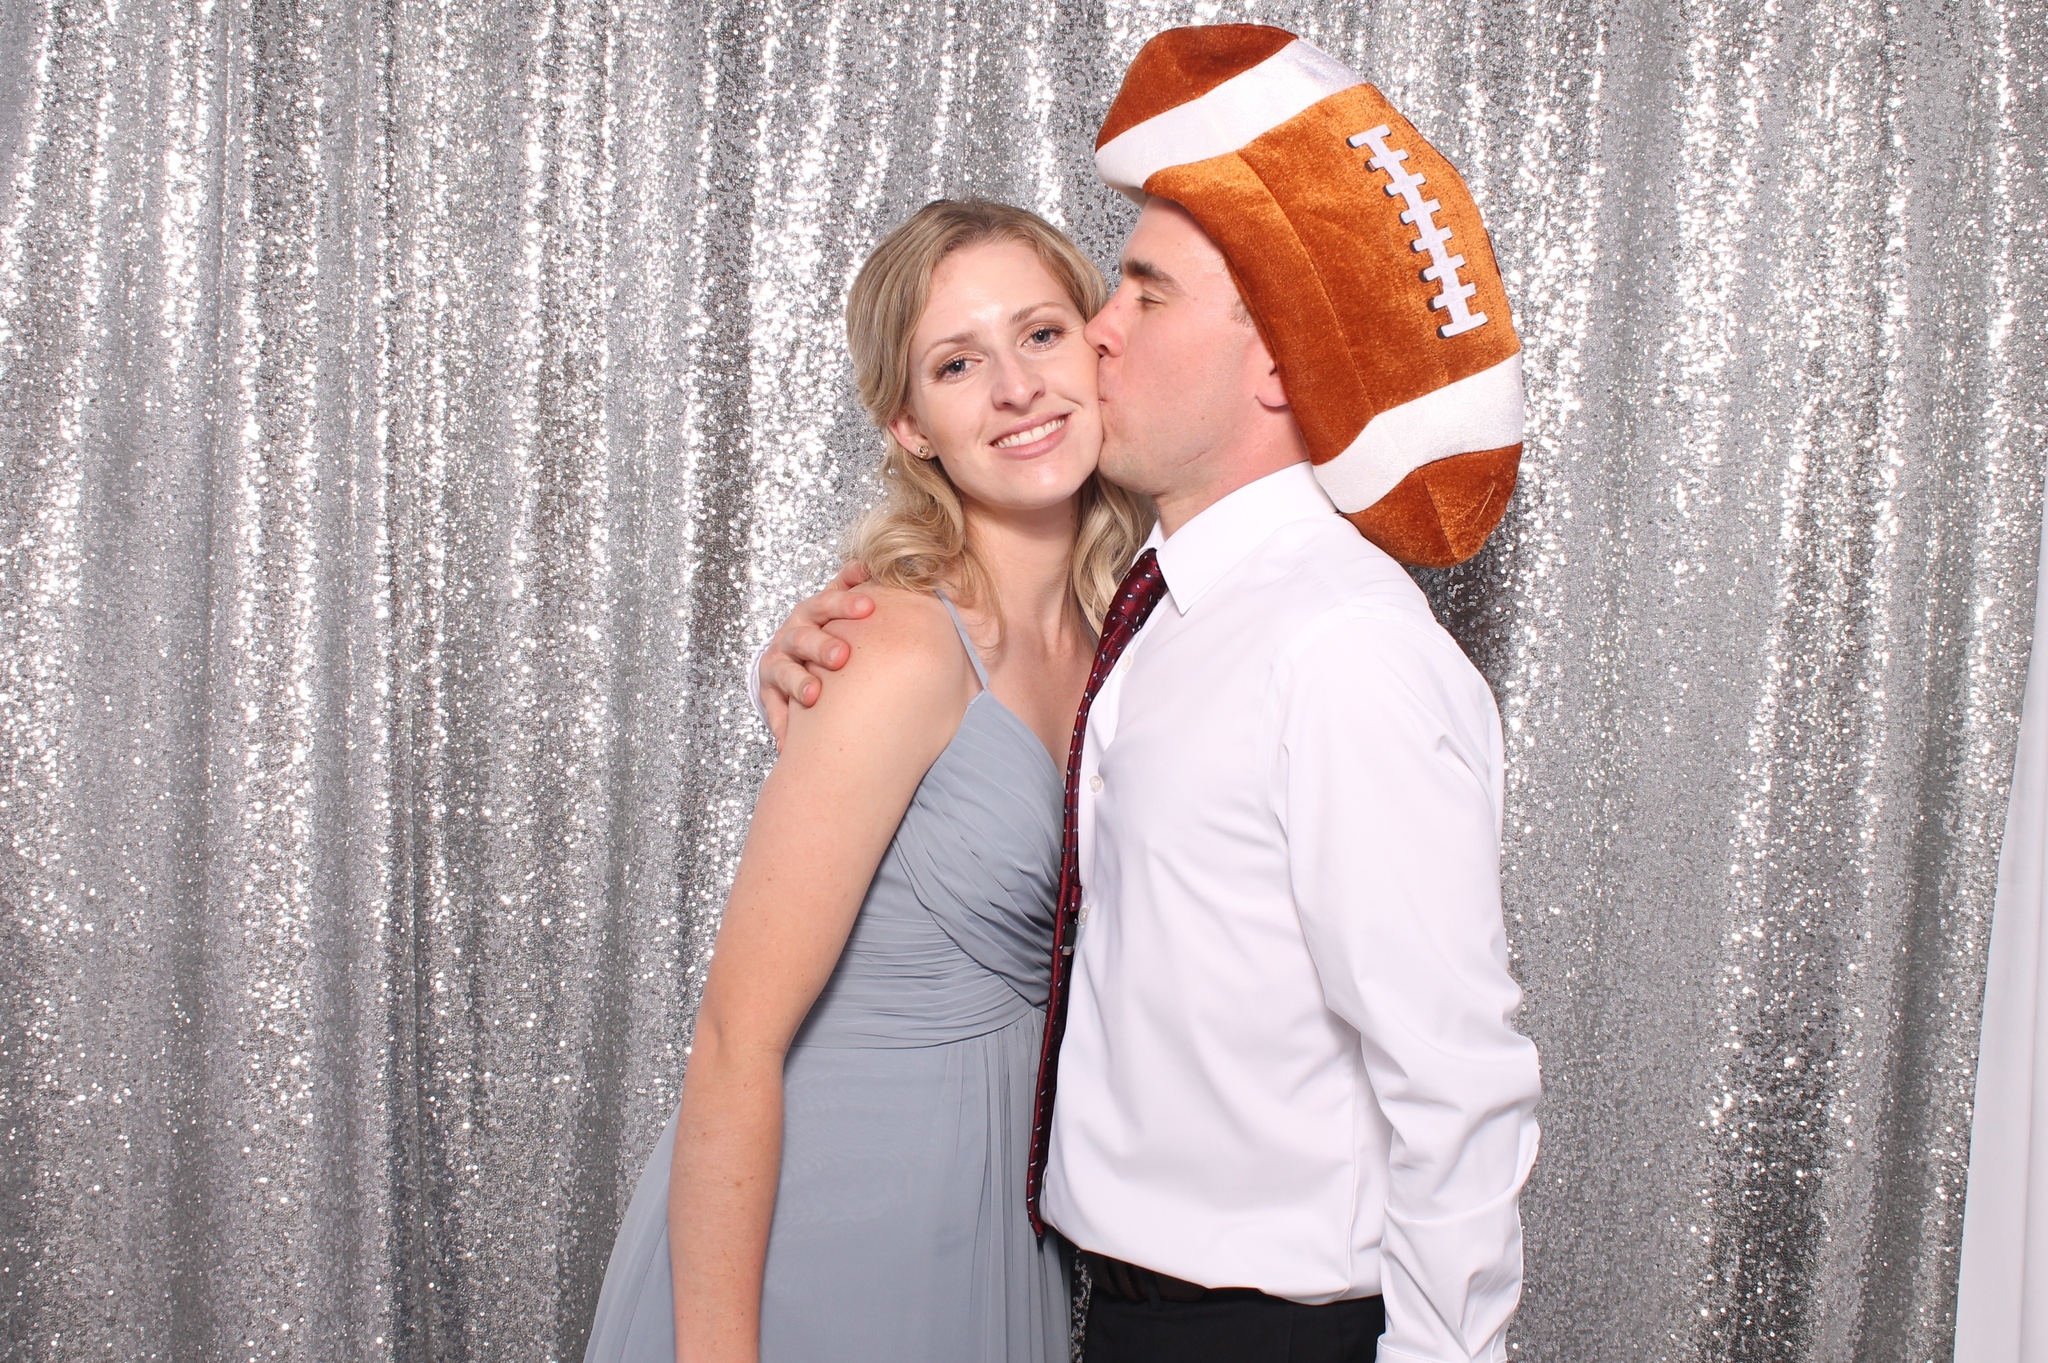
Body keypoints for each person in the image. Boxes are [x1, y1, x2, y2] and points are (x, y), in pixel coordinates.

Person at [753, 25, 1542, 1363]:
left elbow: (1454, 1073)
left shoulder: (1339, 646)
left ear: (1278, 360)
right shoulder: (1155, 610)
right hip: (1108, 1306)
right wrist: (808, 658)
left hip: (1271, 1328)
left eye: (1144, 294)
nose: (1095, 335)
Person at [582, 198, 1151, 1363]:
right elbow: (735, 1039)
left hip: (993, 1225)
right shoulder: (891, 648)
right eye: (957, 363)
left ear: (1099, 345)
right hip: (829, 1231)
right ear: (910, 425)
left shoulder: (1129, 640)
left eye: (1040, 334)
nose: (1016, 389)